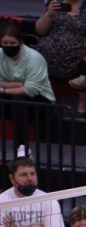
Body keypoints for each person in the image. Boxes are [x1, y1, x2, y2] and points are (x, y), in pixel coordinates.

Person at [35, 0, 86, 117]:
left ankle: (82, 110)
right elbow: (40, 30)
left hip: (80, 55)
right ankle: (42, 108)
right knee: (32, 59)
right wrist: (49, 14)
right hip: (48, 55)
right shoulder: (55, 4)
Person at [0, 19, 56, 156]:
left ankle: (22, 148)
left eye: (12, 43)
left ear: (20, 42)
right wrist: (19, 84)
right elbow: (24, 85)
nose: (8, 46)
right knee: (14, 99)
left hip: (41, 102)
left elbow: (31, 89)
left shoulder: (34, 58)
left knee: (19, 100)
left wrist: (4, 89)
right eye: (5, 43)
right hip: (13, 96)